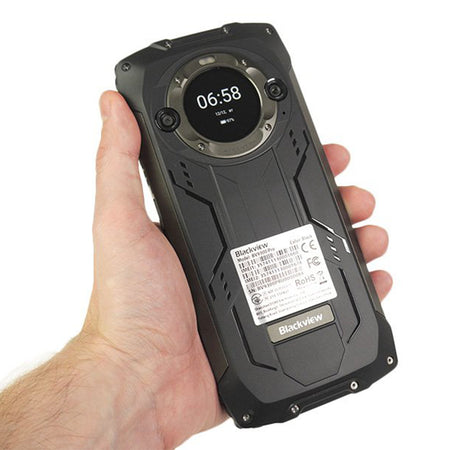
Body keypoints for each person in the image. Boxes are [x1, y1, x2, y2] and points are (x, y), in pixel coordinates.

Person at [0, 91, 392, 449]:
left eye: (231, 97)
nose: (222, 103)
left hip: (343, 353)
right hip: (256, 373)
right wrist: (125, 366)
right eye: (213, 101)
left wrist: (126, 370)